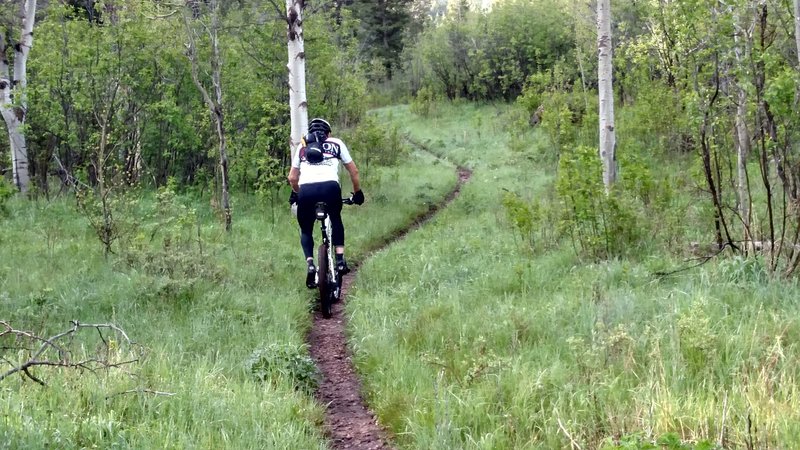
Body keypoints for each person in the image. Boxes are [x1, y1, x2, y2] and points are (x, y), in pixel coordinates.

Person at [287, 118, 364, 289]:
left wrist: (298, 194)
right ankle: (340, 259)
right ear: (328, 132)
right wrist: (357, 193)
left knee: (306, 229)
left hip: (306, 191)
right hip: (330, 188)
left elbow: (292, 178)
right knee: (335, 219)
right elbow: (354, 171)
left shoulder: (303, 145)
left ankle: (310, 264)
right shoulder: (336, 143)